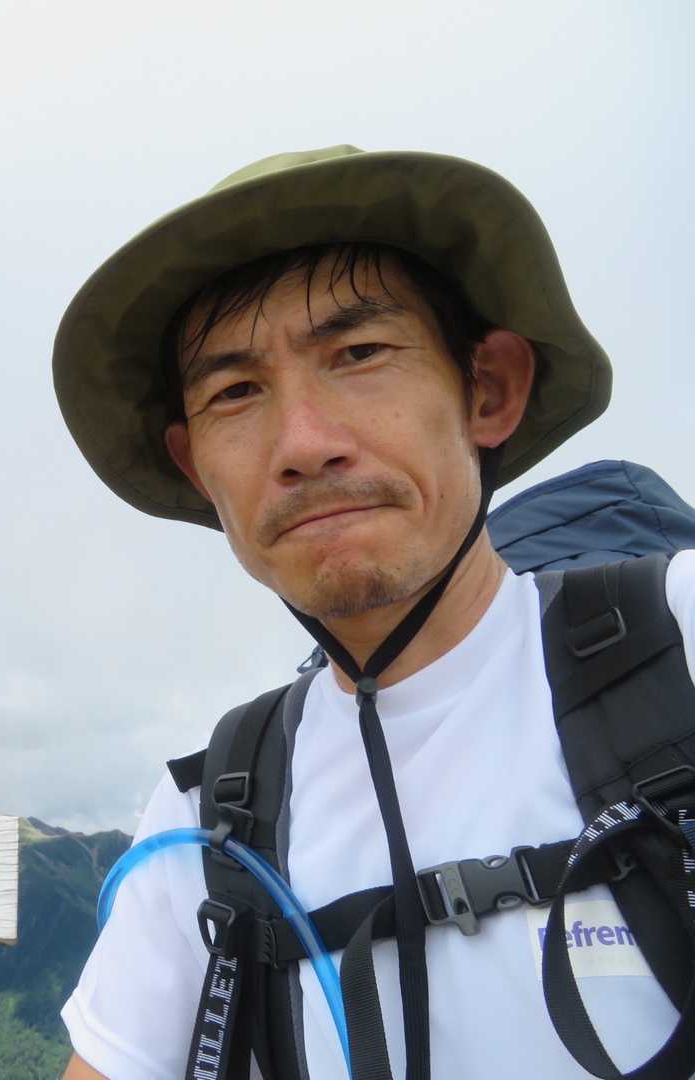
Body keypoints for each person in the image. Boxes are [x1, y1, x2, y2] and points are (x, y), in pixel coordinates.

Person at [50, 146, 695, 1079]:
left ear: (488, 390)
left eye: (359, 354)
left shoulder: (679, 644)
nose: (303, 444)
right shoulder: (210, 815)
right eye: (236, 392)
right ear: (198, 470)